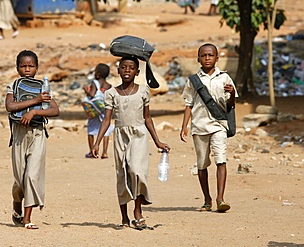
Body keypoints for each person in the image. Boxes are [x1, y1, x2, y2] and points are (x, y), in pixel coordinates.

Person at [91, 57, 170, 229]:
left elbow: (147, 118)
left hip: (139, 135)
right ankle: (124, 216)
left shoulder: (143, 91)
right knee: (122, 174)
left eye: (131, 68)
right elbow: (106, 120)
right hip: (120, 135)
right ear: (118, 71)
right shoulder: (111, 93)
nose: (127, 70)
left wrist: (157, 141)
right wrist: (97, 143)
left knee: (137, 171)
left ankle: (138, 211)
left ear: (137, 72)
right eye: (123, 67)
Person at [180, 43, 238, 213]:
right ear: (198, 59)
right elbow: (188, 105)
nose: (207, 58)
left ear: (217, 58)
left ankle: (221, 198)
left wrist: (232, 94)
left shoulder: (225, 78)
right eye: (203, 55)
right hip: (199, 126)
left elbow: (230, 105)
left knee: (221, 159)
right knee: (202, 164)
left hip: (219, 125)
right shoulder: (193, 81)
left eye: (210, 55)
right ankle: (207, 199)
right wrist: (184, 126)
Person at [5, 50, 60, 230]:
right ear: (17, 68)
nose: (27, 69)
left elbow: (55, 110)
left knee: (32, 174)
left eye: (31, 66)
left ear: (37, 68)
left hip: (37, 133)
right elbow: (10, 106)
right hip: (19, 134)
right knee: (19, 178)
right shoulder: (13, 86)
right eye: (23, 66)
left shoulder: (43, 88)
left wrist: (35, 111)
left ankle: (27, 218)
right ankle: (16, 204)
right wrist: (35, 101)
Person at [83, 63, 114, 159]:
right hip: (104, 109)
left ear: (98, 74)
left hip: (95, 108)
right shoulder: (109, 86)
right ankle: (104, 152)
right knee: (106, 130)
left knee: (91, 129)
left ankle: (92, 151)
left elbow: (92, 94)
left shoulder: (95, 83)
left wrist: (86, 90)